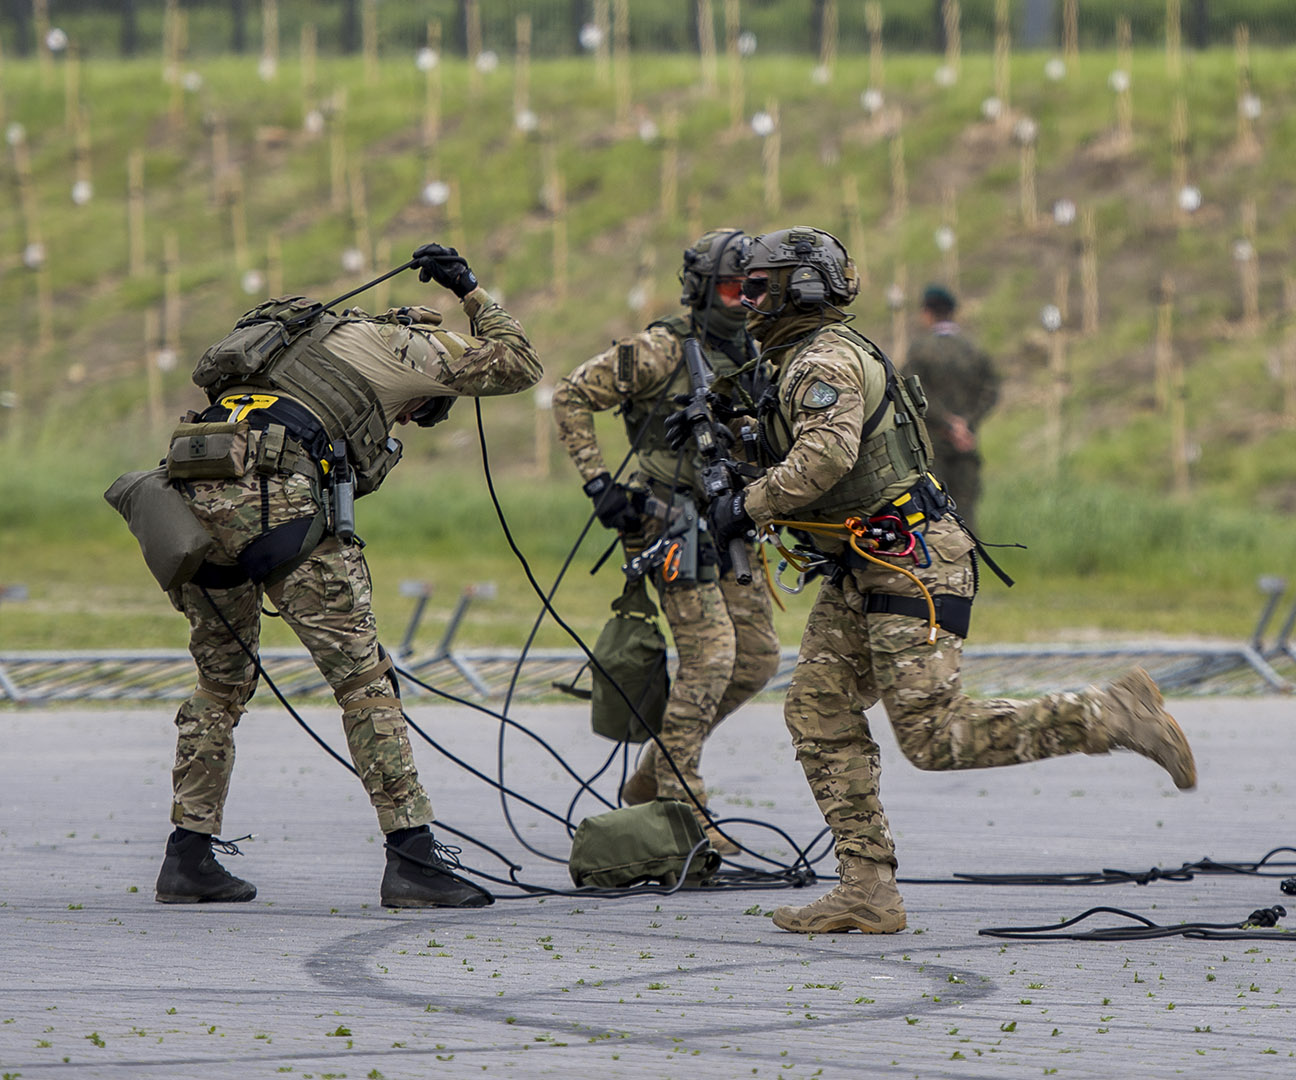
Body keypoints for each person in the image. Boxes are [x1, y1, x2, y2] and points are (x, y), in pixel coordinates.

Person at [698, 226, 1197, 934]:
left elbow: (826, 458)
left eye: (759, 287)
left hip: (911, 561)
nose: (747, 301)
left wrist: (742, 507)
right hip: (864, 562)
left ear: (796, 290)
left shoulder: (826, 362)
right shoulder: (798, 360)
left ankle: (1113, 714)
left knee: (935, 736)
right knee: (817, 712)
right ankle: (867, 888)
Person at [151, 243, 541, 907]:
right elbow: (518, 364)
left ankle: (188, 857)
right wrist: (472, 293)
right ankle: (413, 857)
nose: (413, 418)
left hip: (187, 498)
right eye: (420, 409)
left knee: (219, 684)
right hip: (277, 502)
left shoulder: (308, 341)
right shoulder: (404, 346)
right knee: (364, 682)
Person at [552, 228, 780, 854]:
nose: (744, 303)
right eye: (733, 289)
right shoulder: (659, 350)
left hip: (732, 520)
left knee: (756, 659)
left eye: (756, 290)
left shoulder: (761, 353)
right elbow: (570, 394)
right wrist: (601, 484)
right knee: (710, 659)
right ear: (703, 289)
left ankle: (654, 771)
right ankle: (684, 808)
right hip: (669, 522)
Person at [902, 285, 999, 522]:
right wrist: (965, 424)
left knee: (933, 516)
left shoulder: (920, 349)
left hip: (932, 447)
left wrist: (946, 422)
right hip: (966, 443)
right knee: (966, 515)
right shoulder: (973, 350)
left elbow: (911, 390)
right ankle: (971, 559)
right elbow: (990, 391)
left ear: (927, 312)